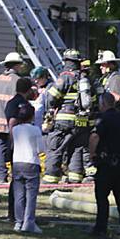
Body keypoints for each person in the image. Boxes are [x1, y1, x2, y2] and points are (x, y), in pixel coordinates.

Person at [89, 92, 120, 239]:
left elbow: (95, 136)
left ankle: (100, 228)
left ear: (103, 104)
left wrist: (92, 154)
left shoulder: (103, 119)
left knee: (102, 198)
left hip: (106, 163)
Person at [43, 49, 83, 184]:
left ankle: (51, 177)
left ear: (66, 62)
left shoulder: (65, 77)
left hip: (64, 119)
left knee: (55, 147)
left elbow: (52, 97)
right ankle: (75, 176)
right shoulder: (84, 79)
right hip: (81, 120)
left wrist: (51, 108)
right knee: (76, 147)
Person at [0, 52, 26, 183]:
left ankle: (1, 177)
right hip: (13, 121)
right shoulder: (18, 81)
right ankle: (16, 176)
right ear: (17, 65)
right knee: (16, 148)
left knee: (1, 148)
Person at [10, 103, 45, 234]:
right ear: (32, 116)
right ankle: (29, 222)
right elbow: (40, 149)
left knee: (19, 194)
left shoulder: (15, 129)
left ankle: (18, 222)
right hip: (31, 162)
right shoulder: (35, 130)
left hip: (17, 163)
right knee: (31, 195)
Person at [4, 76, 35, 220]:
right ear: (28, 90)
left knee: (17, 182)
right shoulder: (20, 104)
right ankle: (16, 214)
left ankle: (17, 213)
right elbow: (12, 124)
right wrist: (15, 143)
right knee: (17, 183)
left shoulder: (12, 102)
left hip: (16, 146)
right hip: (19, 147)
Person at [65, 59, 96, 184]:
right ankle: (88, 173)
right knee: (85, 146)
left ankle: (76, 174)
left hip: (79, 118)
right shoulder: (92, 82)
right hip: (89, 118)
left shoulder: (76, 80)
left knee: (78, 145)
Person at [96, 50, 120, 115]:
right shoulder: (108, 78)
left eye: (103, 64)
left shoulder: (116, 78)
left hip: (117, 115)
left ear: (110, 65)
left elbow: (116, 98)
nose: (100, 67)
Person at [30, 66, 51, 130]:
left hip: (45, 122)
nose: (36, 81)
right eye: (34, 79)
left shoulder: (50, 87)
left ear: (44, 77)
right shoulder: (36, 88)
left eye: (38, 79)